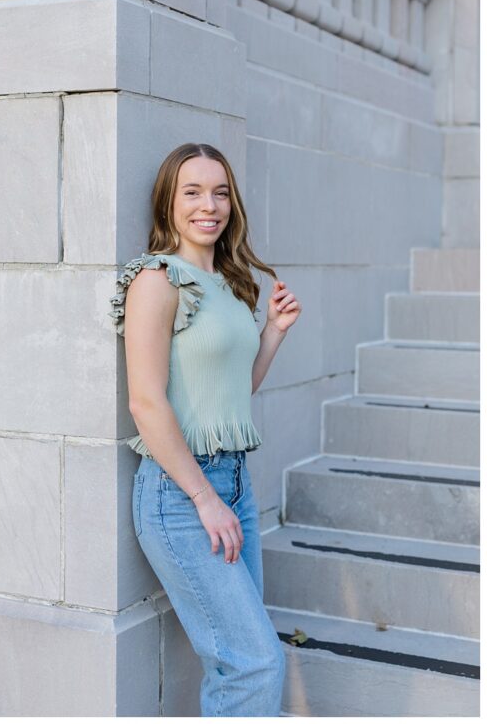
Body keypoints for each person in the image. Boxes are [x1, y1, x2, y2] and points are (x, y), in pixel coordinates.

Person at [110, 142, 300, 716]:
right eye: (191, 192)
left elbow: (231, 396)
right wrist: (203, 498)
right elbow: (146, 402)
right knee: (255, 663)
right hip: (182, 495)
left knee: (237, 663)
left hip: (234, 485)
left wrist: (271, 333)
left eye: (219, 192)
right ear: (168, 200)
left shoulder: (227, 282)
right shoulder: (156, 279)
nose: (208, 205)